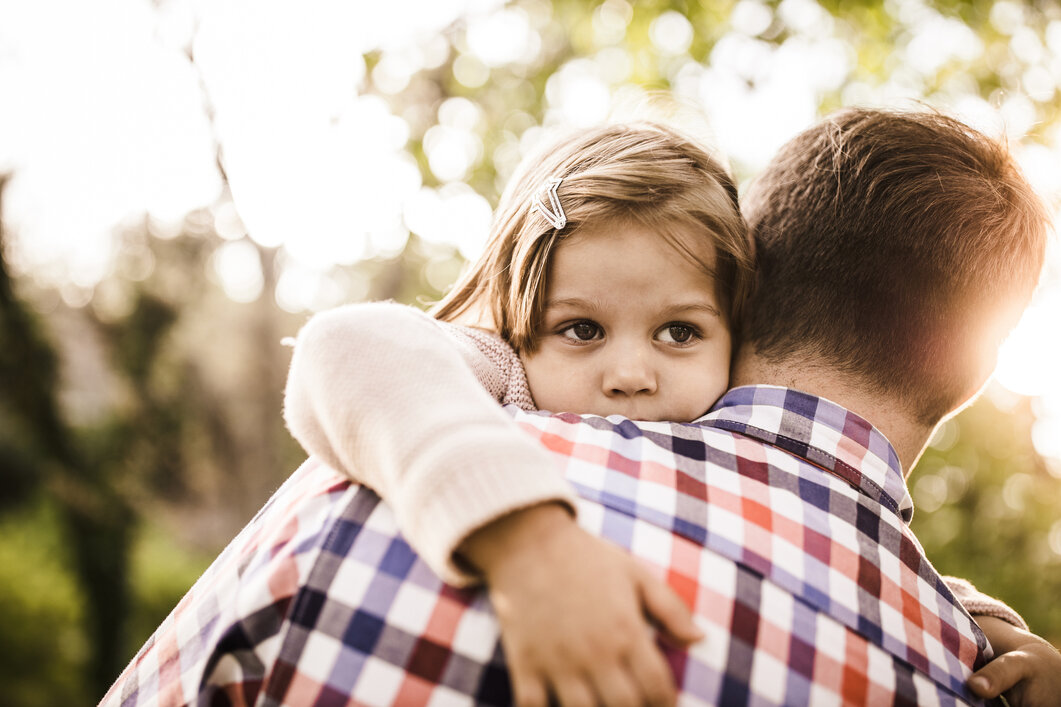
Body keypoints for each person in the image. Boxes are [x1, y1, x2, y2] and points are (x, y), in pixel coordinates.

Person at [101, 109, 1060, 706]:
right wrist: (526, 541)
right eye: (581, 330)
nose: (630, 375)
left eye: (679, 333)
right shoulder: (481, 398)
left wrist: (987, 624)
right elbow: (351, 345)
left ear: (744, 304)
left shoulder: (961, 636)